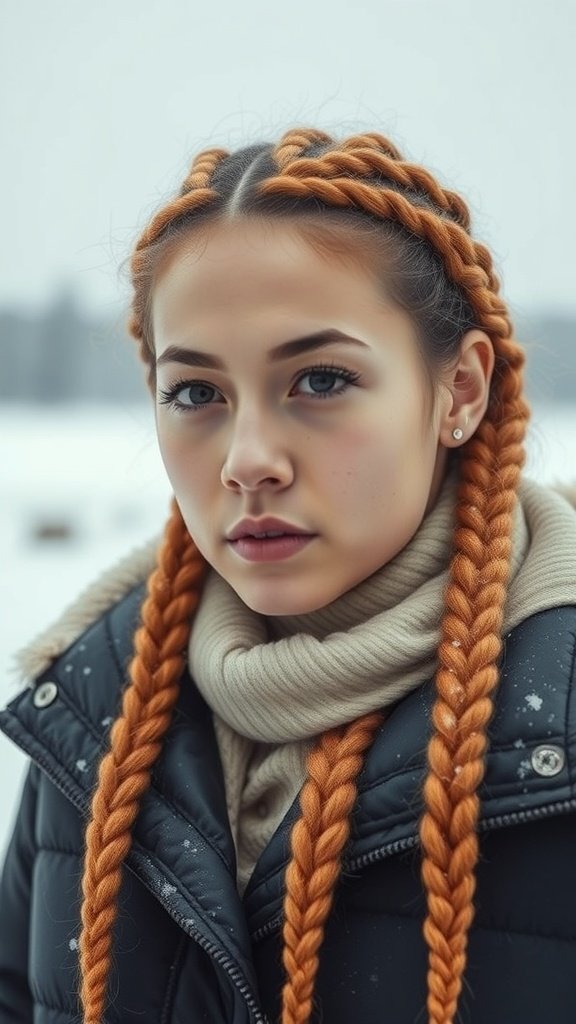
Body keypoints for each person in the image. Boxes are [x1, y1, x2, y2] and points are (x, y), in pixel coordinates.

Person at [1, 126, 575, 1024]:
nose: (247, 460)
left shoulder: (557, 729)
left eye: (320, 380)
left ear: (459, 392)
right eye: (196, 393)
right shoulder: (98, 708)